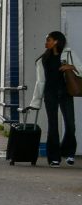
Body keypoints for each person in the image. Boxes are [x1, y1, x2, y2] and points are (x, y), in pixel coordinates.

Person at [25, 30, 79, 167]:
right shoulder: (43, 60)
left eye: (48, 40)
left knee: (70, 124)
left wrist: (71, 66)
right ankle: (54, 158)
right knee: (53, 126)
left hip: (65, 93)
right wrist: (35, 101)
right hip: (50, 94)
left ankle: (68, 152)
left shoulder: (67, 54)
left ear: (56, 41)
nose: (46, 43)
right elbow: (40, 82)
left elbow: (81, 68)